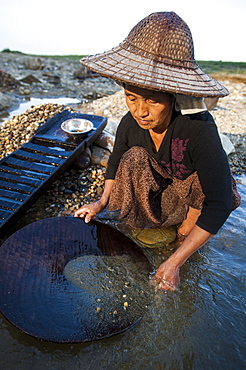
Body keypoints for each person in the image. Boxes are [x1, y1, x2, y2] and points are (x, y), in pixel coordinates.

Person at [74, 11, 240, 291]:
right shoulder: (130, 123)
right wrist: (100, 203)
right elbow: (114, 163)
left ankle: (182, 240)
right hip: (156, 195)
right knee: (133, 158)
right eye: (132, 98)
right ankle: (147, 229)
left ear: (173, 97)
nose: (141, 111)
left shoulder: (198, 128)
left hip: (188, 199)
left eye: (152, 100)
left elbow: (220, 202)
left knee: (189, 224)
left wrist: (175, 262)